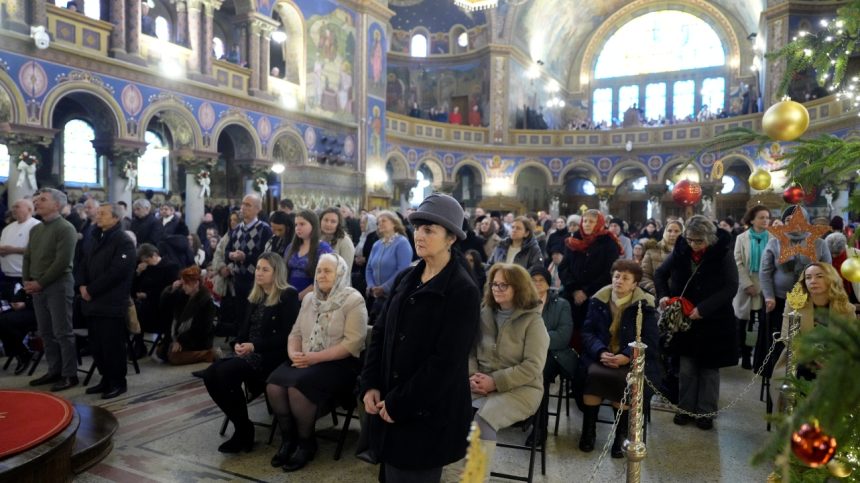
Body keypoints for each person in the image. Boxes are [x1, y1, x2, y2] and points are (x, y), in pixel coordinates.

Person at [360, 194, 480, 482]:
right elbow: (380, 333)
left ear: (451, 238)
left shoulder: (462, 290)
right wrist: (371, 383)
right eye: (417, 228)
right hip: (390, 400)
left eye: (429, 230)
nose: (419, 236)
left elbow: (446, 363)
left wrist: (400, 402)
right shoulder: (407, 277)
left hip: (427, 411)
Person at [266, 254, 368, 471]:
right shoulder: (310, 299)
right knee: (274, 385)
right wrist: (294, 354)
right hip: (305, 358)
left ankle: (306, 443)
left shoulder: (353, 300)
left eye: (328, 271)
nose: (322, 275)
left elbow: (353, 343)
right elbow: (295, 333)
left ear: (340, 273)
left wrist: (314, 358)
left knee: (297, 389)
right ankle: (288, 440)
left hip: (339, 363)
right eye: (319, 270)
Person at [199, 252, 299, 453]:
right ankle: (243, 426)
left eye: (265, 269)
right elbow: (243, 329)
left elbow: (288, 335)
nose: (259, 273)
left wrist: (254, 347)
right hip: (249, 353)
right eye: (258, 269)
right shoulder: (256, 295)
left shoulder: (287, 295)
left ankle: (243, 432)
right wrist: (238, 343)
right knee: (210, 375)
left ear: (276, 272)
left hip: (272, 357)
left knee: (225, 373)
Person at [655, 215, 738, 430]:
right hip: (685, 319)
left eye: (698, 241)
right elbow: (660, 273)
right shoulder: (682, 250)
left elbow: (730, 287)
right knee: (687, 367)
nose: (693, 245)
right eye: (690, 239)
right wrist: (663, 296)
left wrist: (705, 308)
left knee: (709, 369)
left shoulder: (723, 253)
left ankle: (705, 412)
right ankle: (685, 409)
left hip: (714, 319)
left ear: (709, 238)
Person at [469, 263, 549, 476]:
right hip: (480, 382)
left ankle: (475, 479)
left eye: (503, 285)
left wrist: (494, 382)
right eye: (494, 284)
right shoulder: (484, 312)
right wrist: (472, 377)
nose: (496, 289)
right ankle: (451, 474)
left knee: (482, 422)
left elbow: (533, 366)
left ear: (519, 288)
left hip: (522, 389)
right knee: (447, 410)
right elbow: (469, 351)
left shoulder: (533, 321)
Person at [578, 260, 660, 457]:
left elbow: (649, 340)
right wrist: (599, 351)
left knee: (624, 380)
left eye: (625, 278)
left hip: (631, 360)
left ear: (635, 284)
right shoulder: (598, 300)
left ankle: (620, 435)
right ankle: (588, 432)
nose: (619, 281)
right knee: (590, 375)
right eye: (616, 276)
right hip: (601, 356)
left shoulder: (645, 305)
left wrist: (625, 356)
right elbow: (587, 332)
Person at [758, 205, 831, 375]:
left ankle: (806, 376)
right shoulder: (775, 242)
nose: (793, 224)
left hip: (811, 301)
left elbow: (828, 272)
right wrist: (769, 296)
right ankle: (779, 375)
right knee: (781, 342)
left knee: (808, 341)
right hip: (779, 300)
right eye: (788, 220)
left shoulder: (819, 243)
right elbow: (765, 272)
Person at [78, 204, 137, 399]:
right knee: (97, 345)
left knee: (112, 345)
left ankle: (118, 382)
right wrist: (81, 286)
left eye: (103, 213)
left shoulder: (124, 241)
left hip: (111, 301)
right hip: (92, 301)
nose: (98, 216)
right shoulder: (95, 236)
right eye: (98, 213)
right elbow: (83, 263)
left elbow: (117, 272)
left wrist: (91, 290)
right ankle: (105, 379)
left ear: (116, 219)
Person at [24, 188, 80, 391]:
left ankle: (69, 374)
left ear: (57, 205)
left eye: (43, 200)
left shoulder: (66, 228)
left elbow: (62, 262)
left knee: (62, 332)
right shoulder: (36, 229)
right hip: (37, 285)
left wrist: (40, 283)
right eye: (36, 199)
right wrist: (27, 280)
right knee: (45, 332)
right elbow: (28, 257)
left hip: (58, 285)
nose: (37, 203)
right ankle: (54, 370)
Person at [773, 262, 856, 378]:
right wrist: (813, 357)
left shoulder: (847, 309)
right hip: (799, 358)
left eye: (819, 276)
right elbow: (788, 336)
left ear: (831, 279)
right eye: (808, 277)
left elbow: (850, 342)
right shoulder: (794, 303)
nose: (813, 281)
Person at [560, 209, 622, 352]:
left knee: (591, 334)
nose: (587, 224)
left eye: (591, 221)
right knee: (570, 331)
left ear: (599, 223)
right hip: (572, 295)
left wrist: (586, 292)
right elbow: (564, 268)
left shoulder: (608, 242)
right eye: (585, 221)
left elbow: (609, 272)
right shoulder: (573, 240)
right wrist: (575, 290)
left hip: (597, 295)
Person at [528, 266, 573, 444]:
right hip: (524, 352)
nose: (537, 284)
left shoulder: (561, 304)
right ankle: (519, 415)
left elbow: (563, 337)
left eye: (541, 280)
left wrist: (534, 340)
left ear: (548, 284)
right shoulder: (521, 301)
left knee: (539, 375)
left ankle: (540, 427)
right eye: (533, 280)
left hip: (552, 354)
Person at [223, 194, 273, 323]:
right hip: (238, 278)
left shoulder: (264, 229)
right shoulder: (237, 229)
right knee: (240, 313)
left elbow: (267, 256)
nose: (243, 208)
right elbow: (227, 251)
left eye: (248, 205)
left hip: (255, 280)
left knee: (253, 314)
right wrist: (231, 255)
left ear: (258, 209)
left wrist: (245, 257)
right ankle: (240, 339)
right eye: (243, 204)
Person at [732, 205, 771, 370]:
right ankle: (745, 355)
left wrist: (766, 287)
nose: (765, 220)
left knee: (763, 323)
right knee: (743, 323)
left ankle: (760, 357)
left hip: (766, 284)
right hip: (746, 283)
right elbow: (738, 262)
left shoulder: (774, 237)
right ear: (752, 220)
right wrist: (747, 284)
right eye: (761, 217)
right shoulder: (742, 238)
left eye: (767, 217)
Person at [158, 265, 218, 365]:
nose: (183, 286)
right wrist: (171, 289)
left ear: (196, 284)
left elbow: (202, 330)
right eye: (183, 283)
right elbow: (164, 306)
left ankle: (207, 354)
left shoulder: (206, 302)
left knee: (174, 357)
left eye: (186, 283)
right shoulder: (183, 295)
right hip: (180, 337)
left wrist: (180, 342)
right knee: (161, 352)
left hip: (197, 341)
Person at [365, 211, 412, 322]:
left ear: (394, 223)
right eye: (378, 222)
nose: (380, 224)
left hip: (394, 296)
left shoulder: (402, 243)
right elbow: (369, 269)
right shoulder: (377, 244)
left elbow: (402, 270)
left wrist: (384, 288)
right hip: (376, 297)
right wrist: (371, 286)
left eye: (384, 221)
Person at [132, 243, 180, 338]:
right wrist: (138, 272)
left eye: (147, 260)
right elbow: (133, 287)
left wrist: (147, 295)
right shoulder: (145, 267)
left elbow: (168, 290)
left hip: (160, 305)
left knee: (138, 314)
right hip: (143, 303)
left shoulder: (170, 267)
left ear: (154, 255)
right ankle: (138, 344)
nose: (146, 263)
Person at [285, 210, 333, 300]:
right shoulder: (291, 247)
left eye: (302, 224)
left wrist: (300, 296)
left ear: (313, 225)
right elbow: (285, 273)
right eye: (296, 225)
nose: (297, 228)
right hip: (290, 294)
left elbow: (324, 279)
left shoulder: (323, 248)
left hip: (313, 297)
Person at [0, 198, 40, 298]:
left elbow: (38, 251)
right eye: (13, 207)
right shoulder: (7, 228)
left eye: (17, 207)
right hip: (6, 275)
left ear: (30, 209)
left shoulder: (36, 225)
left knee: (20, 307)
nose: (13, 209)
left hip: (24, 276)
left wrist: (13, 250)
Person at [0, 286, 37, 374]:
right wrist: (15, 301)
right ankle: (20, 352)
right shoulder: (33, 277)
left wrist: (26, 304)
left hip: (41, 311)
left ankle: (22, 352)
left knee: (4, 321)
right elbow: (23, 290)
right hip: (25, 308)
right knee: (3, 320)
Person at [639, 219, 683, 294]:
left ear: (682, 233)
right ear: (665, 232)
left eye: (676, 231)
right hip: (657, 297)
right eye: (669, 231)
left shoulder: (688, 252)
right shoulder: (652, 251)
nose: (672, 234)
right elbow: (644, 276)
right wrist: (659, 292)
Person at [320, 208, 355, 275]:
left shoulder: (345, 241)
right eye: (325, 220)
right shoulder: (318, 238)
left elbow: (345, 270)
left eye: (333, 221)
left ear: (338, 224)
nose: (328, 224)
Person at [352, 213, 378, 295]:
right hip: (360, 270)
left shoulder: (374, 237)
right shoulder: (364, 235)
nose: (361, 225)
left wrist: (365, 259)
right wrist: (356, 259)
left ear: (370, 223)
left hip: (369, 274)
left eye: (364, 222)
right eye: (360, 222)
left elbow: (374, 256)